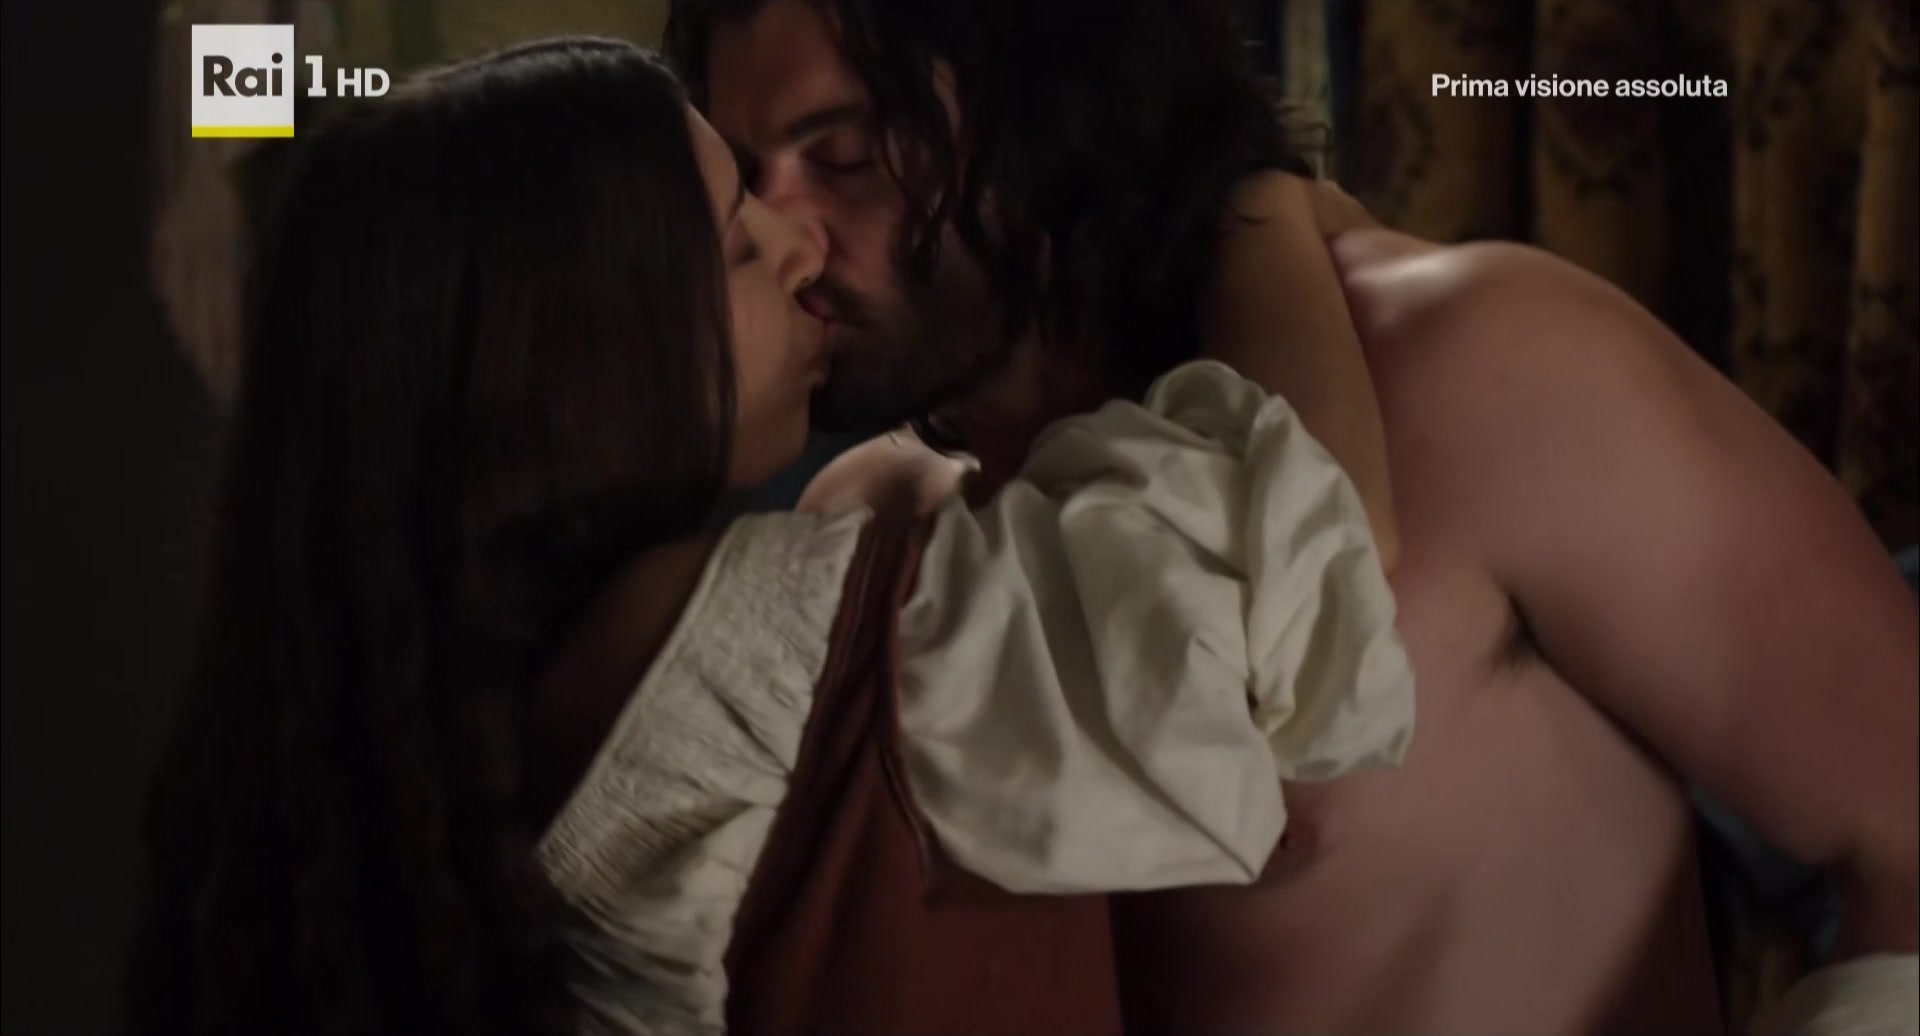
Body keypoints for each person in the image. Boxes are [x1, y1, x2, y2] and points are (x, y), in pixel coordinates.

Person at [667, 0, 1920, 1030]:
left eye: (845, 158)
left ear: (1048, 110)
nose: (791, 241)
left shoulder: (1476, 370)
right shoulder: (867, 532)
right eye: (743, 184)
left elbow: (1904, 834)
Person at [127, 37, 1420, 1035]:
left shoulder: (450, 703)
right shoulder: (709, 642)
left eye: (838, 163)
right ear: (588, 351)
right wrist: (1256, 206)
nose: (803, 247)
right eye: (743, 243)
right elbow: (1288, 569)